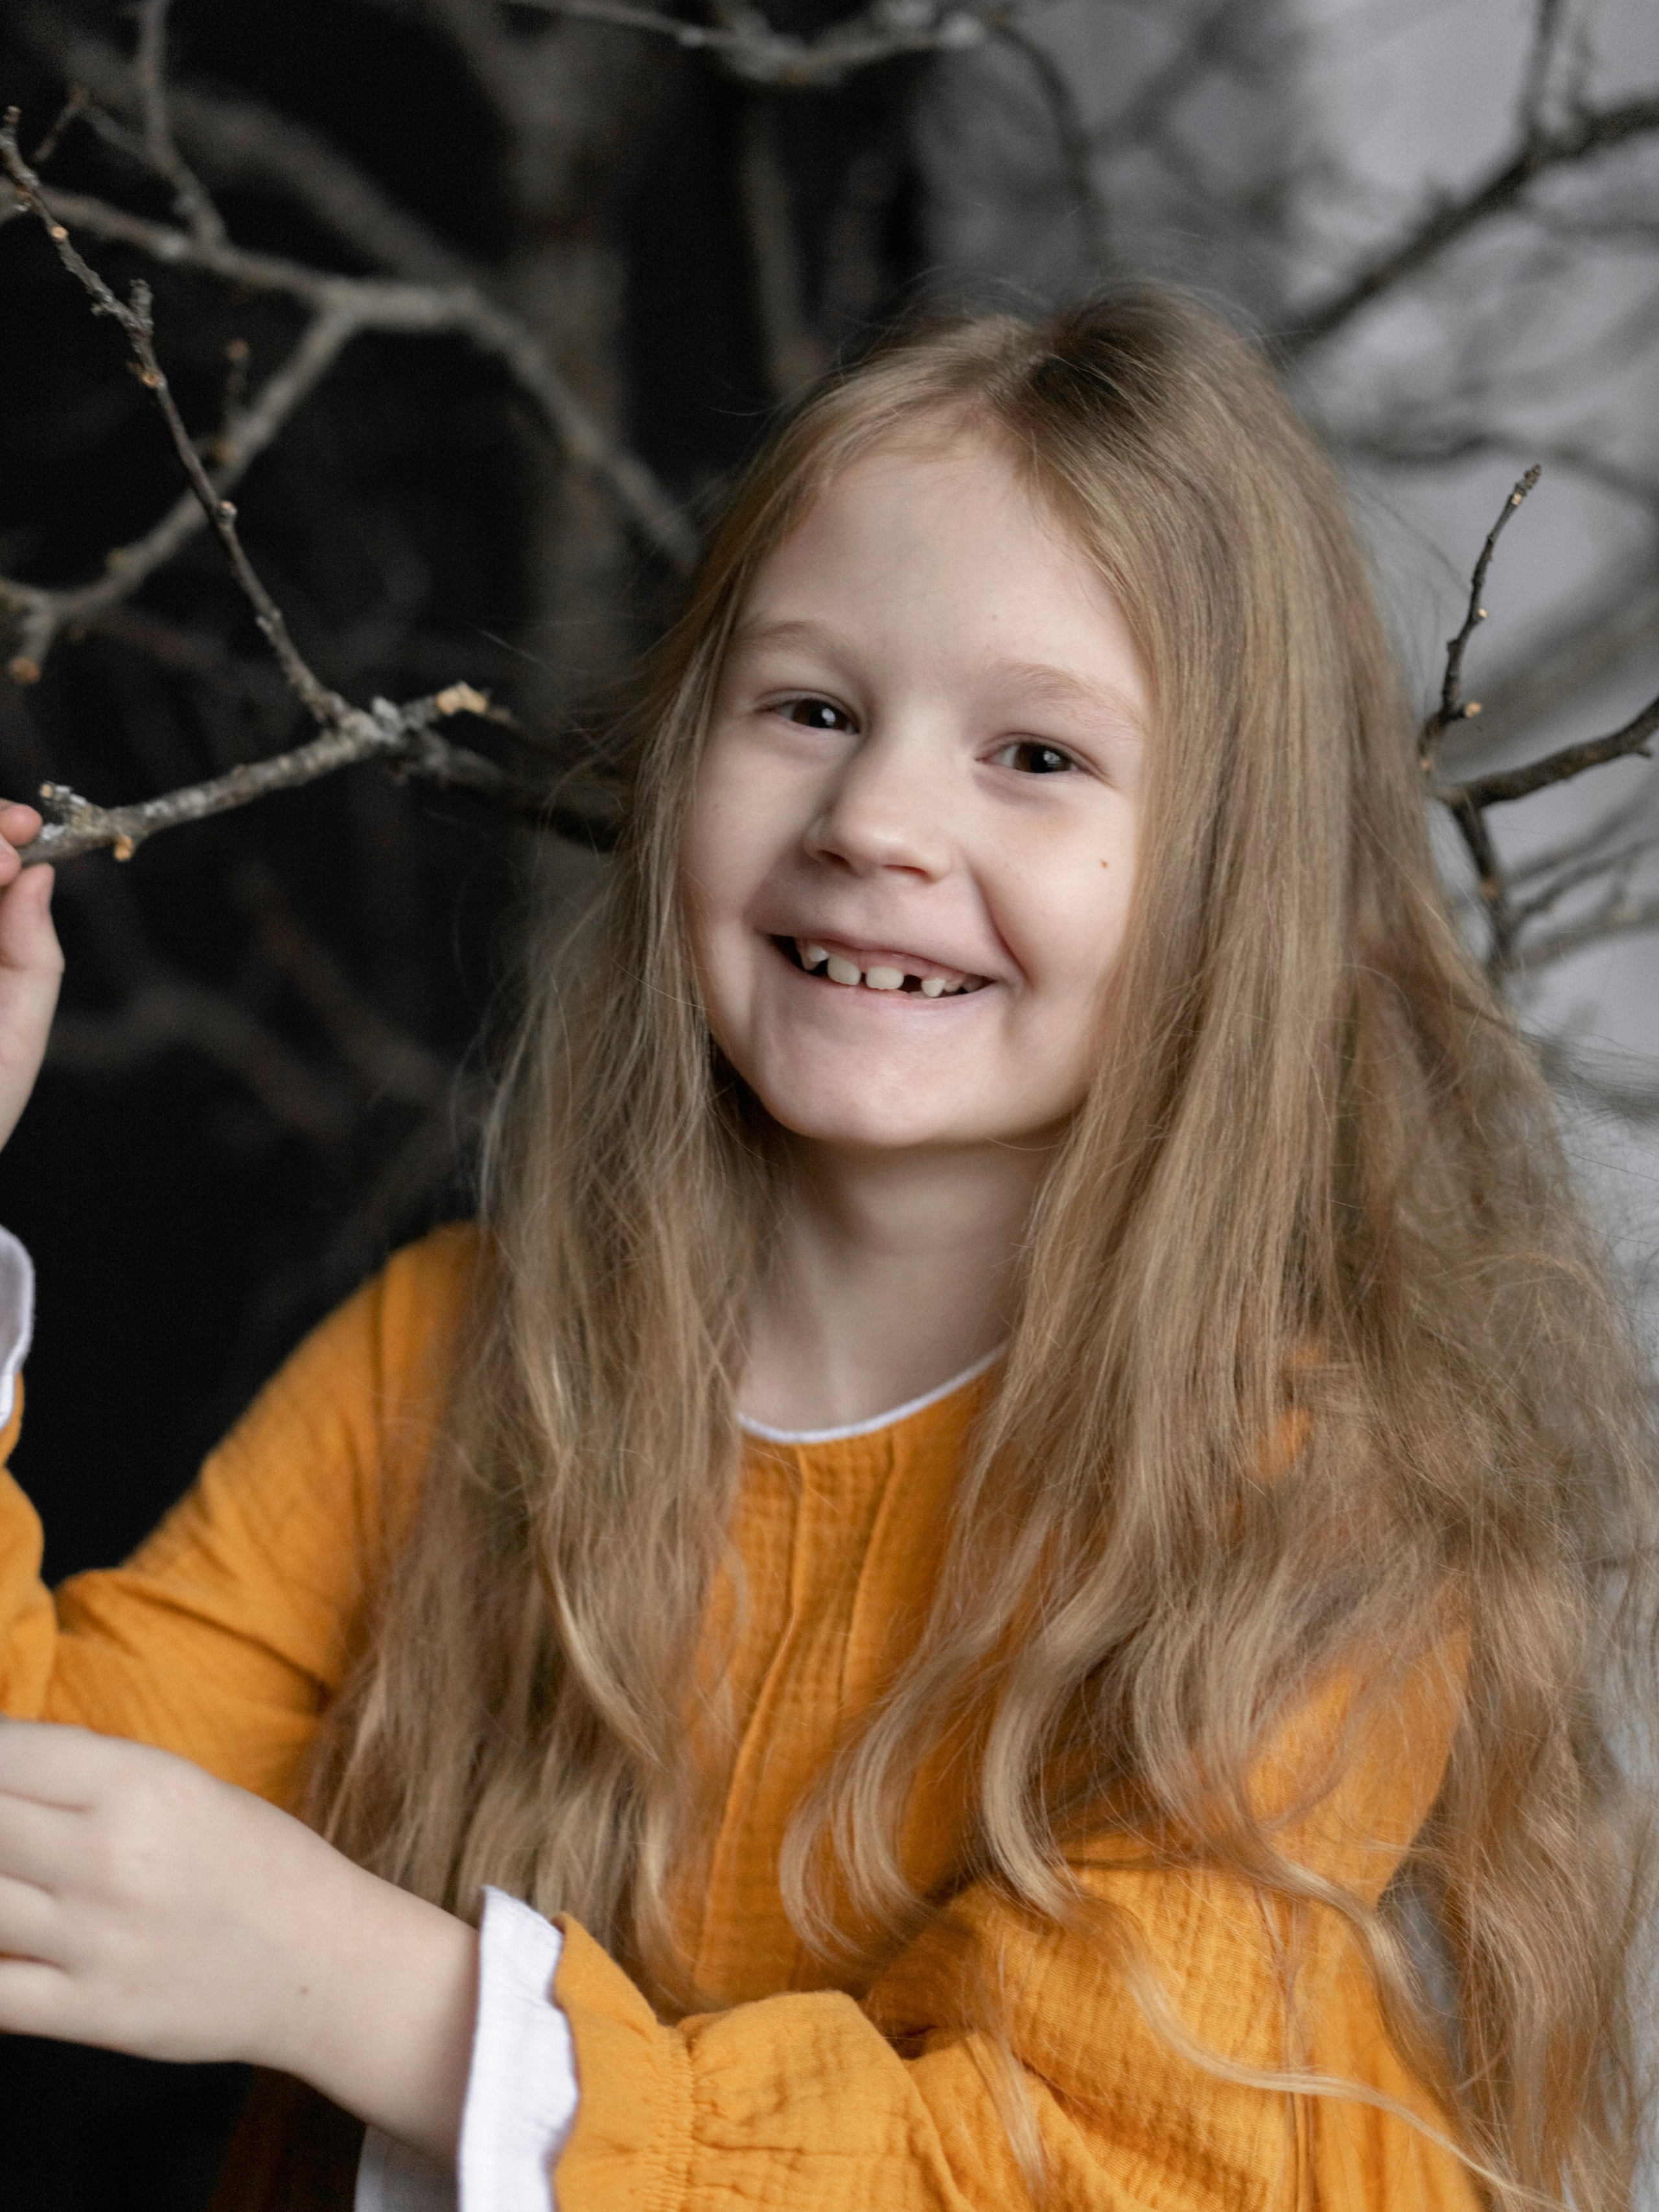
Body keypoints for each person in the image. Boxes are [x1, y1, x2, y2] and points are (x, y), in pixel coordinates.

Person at [0, 286, 1652, 2212]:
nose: (876, 819)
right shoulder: (454, 1362)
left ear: (1238, 884)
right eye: (811, 710)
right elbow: (49, 1821)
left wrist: (405, 2005)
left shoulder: (1307, 1501)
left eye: (1035, 756)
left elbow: (1048, 2170)